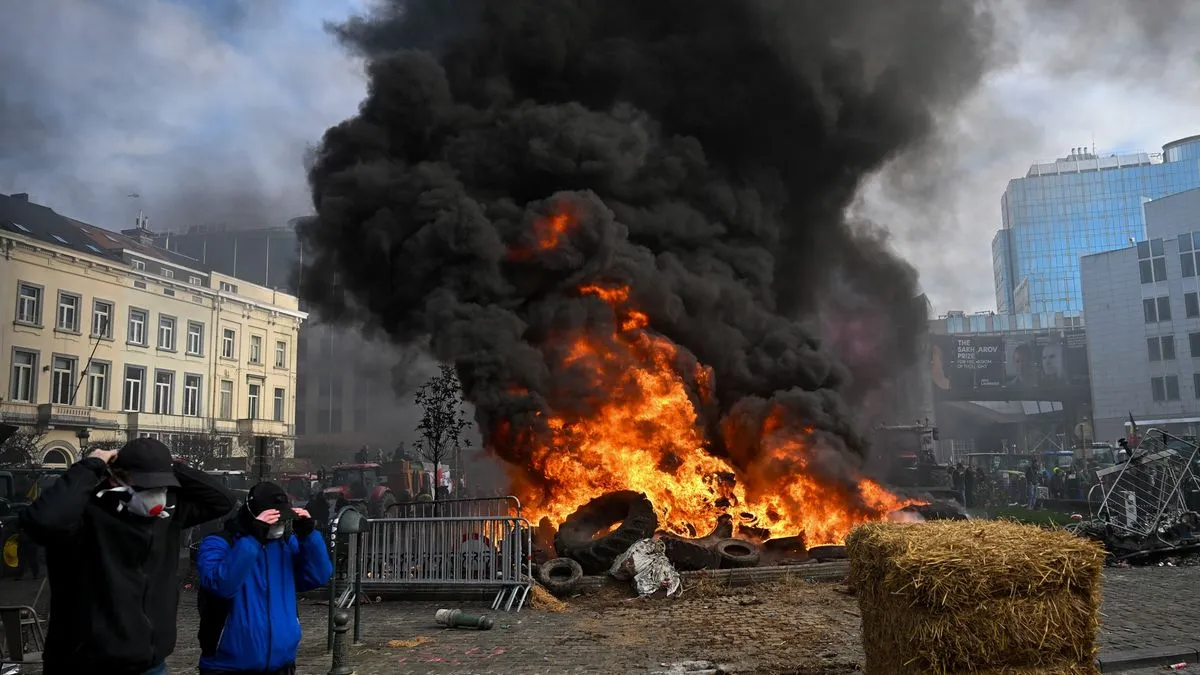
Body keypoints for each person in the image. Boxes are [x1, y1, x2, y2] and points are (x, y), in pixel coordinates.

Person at [18, 438, 237, 675]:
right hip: (86, 664)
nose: (155, 495)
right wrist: (91, 466)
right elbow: (43, 521)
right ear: (116, 478)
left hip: (151, 664)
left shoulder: (168, 516)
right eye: (144, 485)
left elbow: (222, 500)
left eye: (161, 486)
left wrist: (171, 466)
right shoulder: (83, 516)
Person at [195, 481, 333, 675]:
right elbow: (221, 585)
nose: (278, 526)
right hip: (228, 665)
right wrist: (252, 540)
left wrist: (309, 537)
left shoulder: (285, 544)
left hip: (281, 663)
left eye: (281, 519)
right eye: (273, 520)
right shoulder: (219, 543)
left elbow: (318, 576)